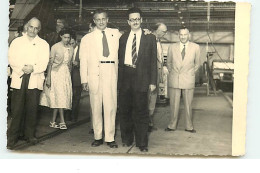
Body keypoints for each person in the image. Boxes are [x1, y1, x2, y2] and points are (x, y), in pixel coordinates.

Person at [80, 9, 121, 148]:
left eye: (103, 19)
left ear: (107, 20)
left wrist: (146, 32)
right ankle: (98, 136)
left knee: (111, 107)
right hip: (94, 75)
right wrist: (84, 79)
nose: (101, 22)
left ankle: (110, 138)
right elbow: (83, 60)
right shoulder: (87, 38)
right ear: (94, 21)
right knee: (96, 107)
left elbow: (130, 39)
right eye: (98, 19)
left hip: (111, 72)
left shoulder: (116, 34)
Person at [118, 7, 157, 152]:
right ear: (128, 21)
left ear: (141, 20)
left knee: (141, 111)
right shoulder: (122, 38)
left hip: (142, 78)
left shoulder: (150, 37)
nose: (135, 21)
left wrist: (153, 81)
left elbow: (153, 61)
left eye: (137, 19)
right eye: (132, 19)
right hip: (125, 77)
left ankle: (142, 143)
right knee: (125, 111)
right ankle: (127, 139)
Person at [7, 17, 49, 148]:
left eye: (36, 28)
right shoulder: (16, 42)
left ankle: (29, 135)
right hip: (19, 77)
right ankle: (12, 137)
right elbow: (11, 58)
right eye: (31, 27)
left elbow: (44, 63)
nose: (33, 30)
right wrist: (22, 68)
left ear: (39, 30)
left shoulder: (44, 44)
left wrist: (33, 68)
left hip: (35, 78)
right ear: (26, 27)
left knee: (32, 109)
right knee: (17, 109)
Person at [165, 27, 200, 133]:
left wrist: (190, 73)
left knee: (188, 105)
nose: (183, 37)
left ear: (189, 35)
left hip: (188, 78)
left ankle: (189, 126)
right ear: (178, 35)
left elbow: (197, 63)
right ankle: (172, 125)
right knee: (173, 105)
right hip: (175, 78)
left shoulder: (196, 47)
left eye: (185, 34)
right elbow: (169, 63)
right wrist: (173, 72)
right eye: (181, 35)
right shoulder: (172, 47)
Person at [40, 29, 73, 130]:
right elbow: (50, 63)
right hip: (55, 73)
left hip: (65, 74)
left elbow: (70, 63)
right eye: (65, 37)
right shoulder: (55, 47)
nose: (67, 39)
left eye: (68, 37)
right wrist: (48, 78)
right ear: (61, 36)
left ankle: (53, 121)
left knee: (60, 97)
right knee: (60, 96)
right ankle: (62, 121)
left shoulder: (71, 48)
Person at [147, 22, 168, 132]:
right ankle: (145, 123)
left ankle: (149, 122)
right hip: (149, 76)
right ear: (156, 30)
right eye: (163, 31)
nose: (165, 33)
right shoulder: (148, 39)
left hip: (156, 75)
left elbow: (160, 58)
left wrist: (163, 69)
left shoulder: (159, 42)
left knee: (153, 100)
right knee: (147, 99)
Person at [69, 35, 81, 122]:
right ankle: (67, 115)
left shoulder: (82, 50)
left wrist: (78, 64)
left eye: (73, 43)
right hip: (68, 76)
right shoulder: (67, 49)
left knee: (76, 97)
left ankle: (74, 116)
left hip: (77, 77)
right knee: (68, 96)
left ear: (76, 42)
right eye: (70, 43)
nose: (71, 45)